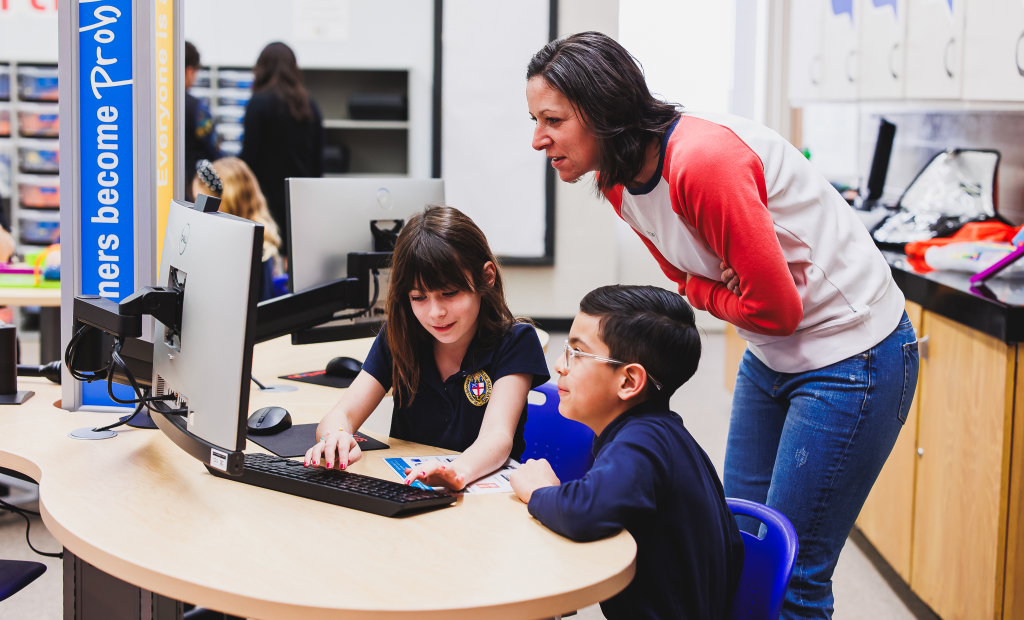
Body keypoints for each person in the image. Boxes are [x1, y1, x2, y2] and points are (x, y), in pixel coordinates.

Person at [525, 32, 918, 620]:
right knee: (730, 547)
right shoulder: (613, 178)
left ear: (601, 111)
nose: (538, 139)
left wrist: (712, 291)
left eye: (551, 119)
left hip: (851, 355)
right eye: (535, 120)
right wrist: (723, 290)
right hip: (771, 354)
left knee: (792, 581)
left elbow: (774, 308)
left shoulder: (703, 163)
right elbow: (676, 273)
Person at [510, 284, 744, 620]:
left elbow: (586, 512)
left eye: (577, 353)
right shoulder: (662, 433)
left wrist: (539, 492)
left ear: (629, 382)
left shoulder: (642, 442)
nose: (560, 365)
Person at [305, 206, 550, 489]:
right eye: (419, 297)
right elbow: (343, 414)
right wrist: (336, 437)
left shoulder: (516, 342)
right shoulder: (400, 336)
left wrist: (456, 472)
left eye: (449, 293)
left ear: (486, 277)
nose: (435, 313)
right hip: (410, 491)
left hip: (480, 495)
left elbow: (497, 437)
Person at [240, 42, 324, 256]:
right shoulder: (310, 105)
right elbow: (318, 162)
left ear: (262, 68)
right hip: (299, 200)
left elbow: (249, 159)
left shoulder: (258, 104)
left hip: (264, 203)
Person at [192, 157, 282, 301]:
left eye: (203, 203)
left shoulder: (248, 255)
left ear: (226, 204)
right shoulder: (261, 246)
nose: (199, 211)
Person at [184, 41, 220, 201]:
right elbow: (212, 148)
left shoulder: (151, 105)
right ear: (189, 70)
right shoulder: (196, 107)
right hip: (191, 188)